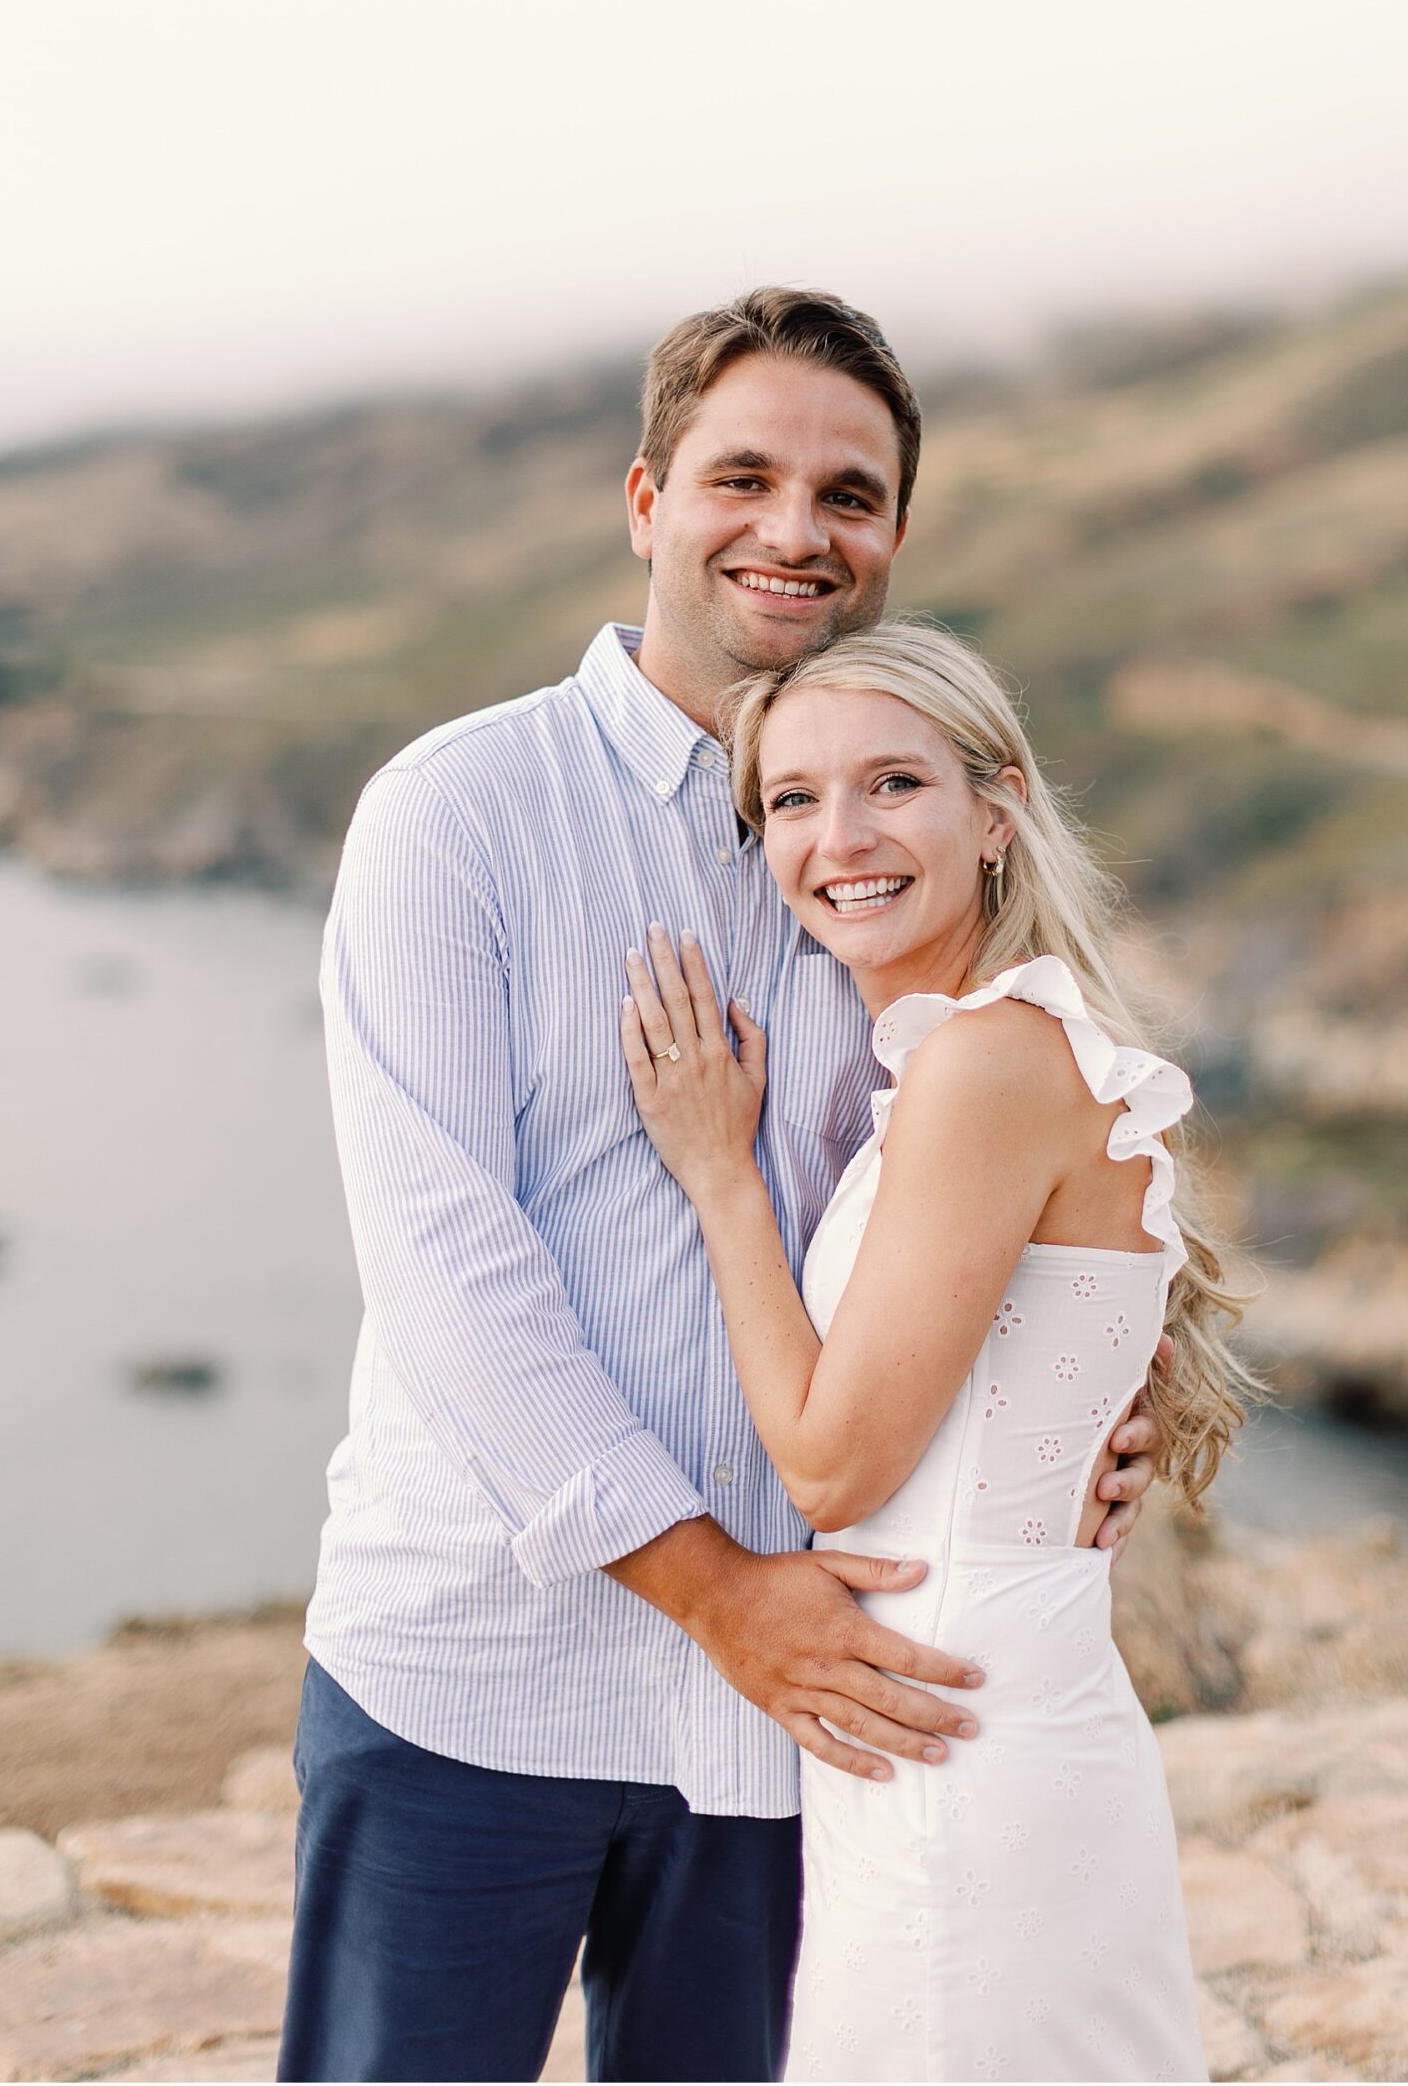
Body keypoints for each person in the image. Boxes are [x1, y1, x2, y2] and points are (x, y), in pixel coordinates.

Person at [278, 289, 1174, 2086]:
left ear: (893, 537)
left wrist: (1085, 1391)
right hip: (481, 1672)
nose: (793, 528)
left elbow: (1023, 1176)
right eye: (741, 476)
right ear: (643, 500)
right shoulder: (458, 814)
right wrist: (711, 1592)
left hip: (805, 1724)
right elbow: (450, 1269)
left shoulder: (879, 854)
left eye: (846, 493)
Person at [619, 619, 1260, 2082]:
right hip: (974, 1716)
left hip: (950, 1752)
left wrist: (718, 1175)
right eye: (789, 799)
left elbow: (837, 1459)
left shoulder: (981, 1064)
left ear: (996, 810)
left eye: (889, 784)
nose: (835, 836)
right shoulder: (1002, 1057)